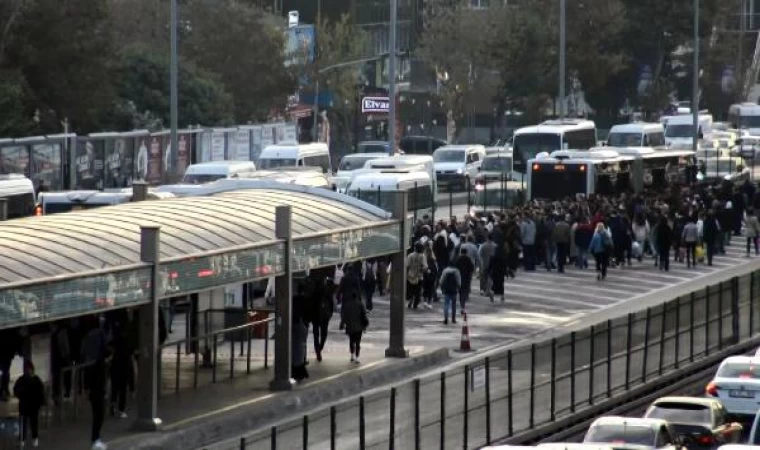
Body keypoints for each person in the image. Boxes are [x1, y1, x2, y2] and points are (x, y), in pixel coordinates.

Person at [81, 316, 109, 450]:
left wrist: (86, 387)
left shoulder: (87, 342)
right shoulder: (99, 336)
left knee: (97, 412)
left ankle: (96, 438)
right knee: (99, 413)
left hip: (94, 384)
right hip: (98, 384)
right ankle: (95, 439)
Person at [14, 360, 44, 448]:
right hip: (27, 405)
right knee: (26, 423)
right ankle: (25, 439)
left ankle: (30, 438)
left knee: (31, 423)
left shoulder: (27, 380)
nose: (28, 371)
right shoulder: (33, 380)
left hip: (30, 405)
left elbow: (40, 393)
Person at [109, 319, 133, 419]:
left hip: (115, 368)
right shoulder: (127, 348)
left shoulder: (115, 342)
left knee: (114, 389)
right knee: (122, 391)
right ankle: (121, 410)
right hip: (123, 370)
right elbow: (130, 367)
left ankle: (113, 405)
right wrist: (132, 385)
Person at [340, 293, 368, 363]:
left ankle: (352, 355)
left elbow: (344, 316)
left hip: (350, 326)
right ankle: (357, 357)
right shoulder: (360, 304)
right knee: (358, 342)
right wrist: (364, 326)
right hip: (359, 327)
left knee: (351, 341)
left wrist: (342, 324)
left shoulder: (347, 305)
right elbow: (364, 316)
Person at [49, 321, 72, 405]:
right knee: (59, 377)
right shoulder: (57, 333)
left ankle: (61, 393)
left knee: (58, 378)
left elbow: (64, 347)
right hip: (58, 360)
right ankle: (61, 393)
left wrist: (66, 357)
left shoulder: (59, 333)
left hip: (59, 359)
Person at [406, 242, 428, 309]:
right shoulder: (422, 256)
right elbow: (425, 267)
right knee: (418, 291)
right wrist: (421, 269)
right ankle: (415, 303)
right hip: (419, 277)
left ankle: (410, 299)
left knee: (410, 290)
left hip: (410, 275)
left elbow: (407, 265)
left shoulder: (410, 255)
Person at [439, 261, 461, 325]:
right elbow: (459, 282)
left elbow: (441, 281)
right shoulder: (457, 271)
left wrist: (441, 287)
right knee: (453, 305)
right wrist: (458, 288)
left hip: (446, 289)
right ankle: (453, 318)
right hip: (454, 290)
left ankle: (446, 318)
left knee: (446, 304)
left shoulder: (445, 270)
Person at [455, 248, 475, 314]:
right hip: (466, 278)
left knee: (460, 292)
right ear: (466, 252)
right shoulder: (468, 259)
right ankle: (462, 307)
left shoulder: (458, 259)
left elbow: (455, 268)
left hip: (459, 277)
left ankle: (461, 305)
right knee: (464, 292)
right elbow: (472, 268)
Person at [422, 244, 439, 308]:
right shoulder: (433, 260)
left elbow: (422, 268)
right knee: (430, 290)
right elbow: (436, 269)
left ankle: (425, 301)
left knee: (425, 289)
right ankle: (429, 302)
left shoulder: (424, 259)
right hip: (432, 277)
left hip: (425, 276)